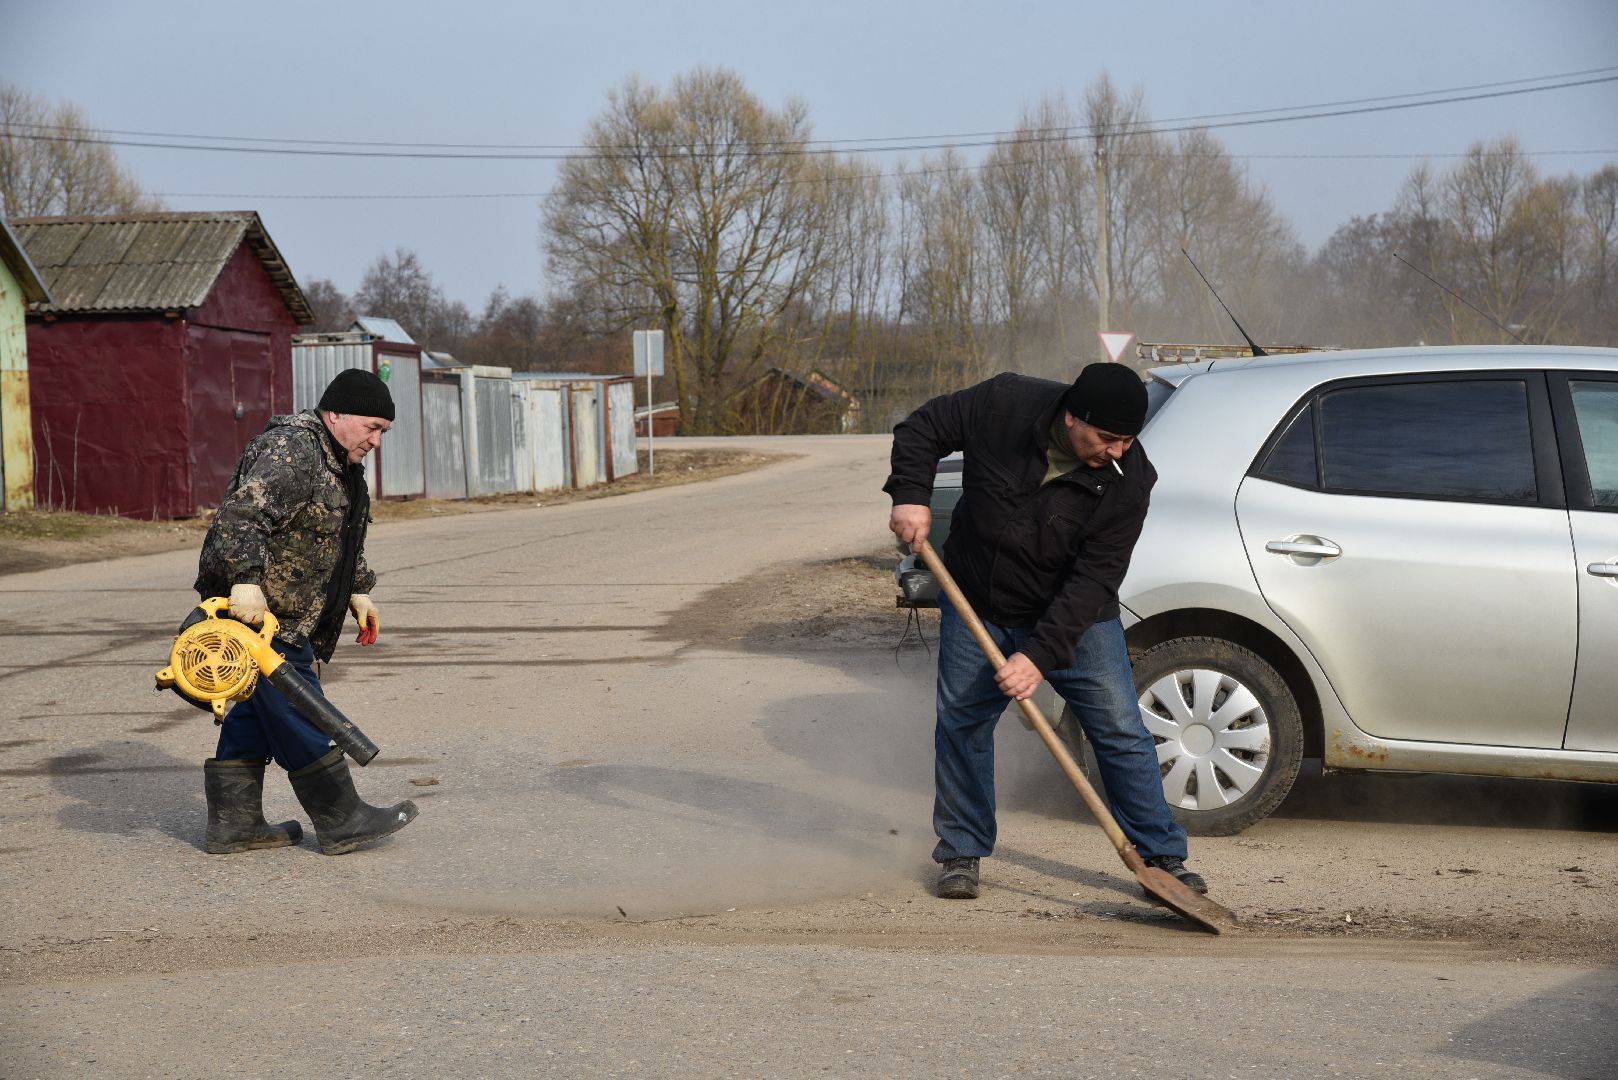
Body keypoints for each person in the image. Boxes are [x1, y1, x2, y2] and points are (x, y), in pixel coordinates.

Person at [885, 362, 1205, 901]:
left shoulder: (1131, 483)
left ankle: (1161, 857)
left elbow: (1093, 579)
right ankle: (961, 850)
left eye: (1128, 440)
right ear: (1072, 416)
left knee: (1121, 731)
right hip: (977, 600)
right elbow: (921, 428)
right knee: (962, 723)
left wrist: (1036, 657)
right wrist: (910, 495)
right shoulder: (1003, 404)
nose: (1118, 452)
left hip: (1073, 619)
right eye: (1108, 438)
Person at [193, 368, 418, 856]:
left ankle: (236, 824)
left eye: (384, 431)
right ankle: (342, 818)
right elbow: (241, 515)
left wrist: (358, 590)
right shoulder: (293, 450)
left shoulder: (339, 461)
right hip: (262, 617)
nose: (377, 440)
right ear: (335, 414)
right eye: (372, 427)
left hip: (292, 613)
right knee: (300, 707)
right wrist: (244, 580)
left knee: (254, 711)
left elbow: (340, 534)